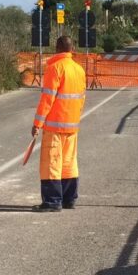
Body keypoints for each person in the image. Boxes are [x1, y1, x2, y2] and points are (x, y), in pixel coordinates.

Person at [31, 35, 86, 212]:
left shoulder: (55, 68)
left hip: (55, 125)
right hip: (72, 124)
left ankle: (53, 201)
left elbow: (47, 99)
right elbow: (82, 99)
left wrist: (37, 123)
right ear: (72, 48)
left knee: (52, 163)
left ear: (56, 47)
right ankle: (69, 199)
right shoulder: (79, 70)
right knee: (69, 162)